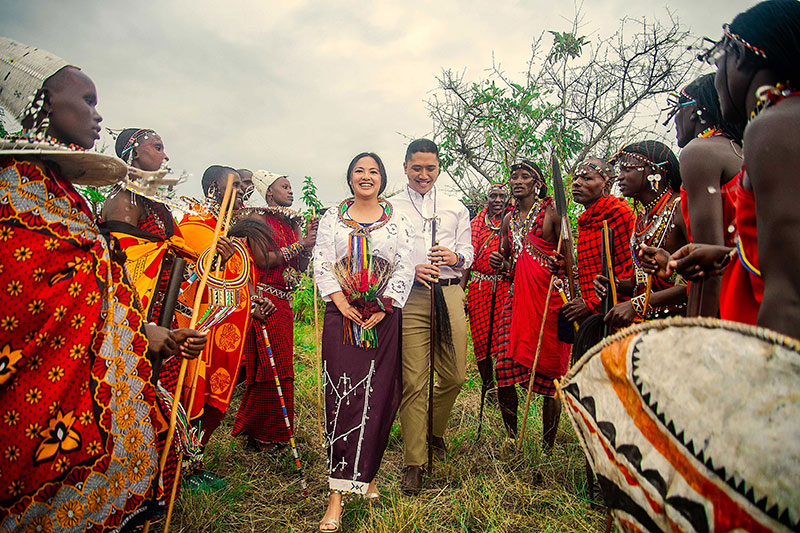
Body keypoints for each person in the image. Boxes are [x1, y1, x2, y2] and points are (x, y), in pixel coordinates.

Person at [0, 38, 197, 530]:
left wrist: (146, 328)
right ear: (43, 104)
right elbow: (32, 295)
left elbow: (99, 280)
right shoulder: (15, 197)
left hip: (122, 339)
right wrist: (138, 324)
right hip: (39, 381)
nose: (98, 115)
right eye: (87, 100)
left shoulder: (63, 195)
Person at [645, 0, 800, 340]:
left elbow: (789, 290)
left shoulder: (773, 125)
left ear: (741, 56)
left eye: (718, 60)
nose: (716, 80)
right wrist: (728, 257)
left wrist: (707, 352)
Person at [313, 152, 414, 531]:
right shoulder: (331, 218)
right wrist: (341, 302)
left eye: (373, 171)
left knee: (380, 395)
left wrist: (385, 306)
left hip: (383, 317)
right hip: (343, 318)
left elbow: (404, 263)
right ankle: (336, 495)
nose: (366, 176)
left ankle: (368, 473)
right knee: (341, 397)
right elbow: (323, 262)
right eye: (359, 170)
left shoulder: (396, 219)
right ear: (350, 177)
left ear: (383, 178)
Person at [391, 139, 474, 494]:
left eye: (430, 168)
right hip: (411, 296)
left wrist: (455, 257)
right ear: (405, 167)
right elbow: (386, 255)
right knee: (413, 381)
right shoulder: (390, 207)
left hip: (450, 292)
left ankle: (433, 430)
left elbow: (469, 252)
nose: (423, 175)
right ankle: (414, 461)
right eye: (416, 168)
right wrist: (412, 267)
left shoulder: (456, 206)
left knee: (455, 375)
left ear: (439, 167)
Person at [232, 170, 317, 453]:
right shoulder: (258, 219)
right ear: (269, 193)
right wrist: (299, 245)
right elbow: (263, 260)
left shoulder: (292, 224)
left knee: (283, 370)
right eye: (284, 186)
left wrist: (308, 245)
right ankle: (262, 436)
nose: (291, 191)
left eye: (292, 187)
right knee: (271, 368)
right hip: (264, 301)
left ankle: (274, 435)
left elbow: (299, 268)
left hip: (286, 302)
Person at [488, 160, 569, 448]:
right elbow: (509, 259)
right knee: (504, 368)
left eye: (526, 177)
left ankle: (548, 445)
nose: (518, 181)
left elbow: (567, 254)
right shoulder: (508, 219)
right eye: (514, 176)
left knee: (550, 372)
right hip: (516, 297)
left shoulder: (551, 212)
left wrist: (562, 277)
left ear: (537, 182)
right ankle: (512, 437)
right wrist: (501, 261)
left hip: (546, 298)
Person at [177, 166, 252, 447]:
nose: (241, 190)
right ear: (213, 189)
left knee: (215, 394)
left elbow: (236, 281)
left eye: (241, 187)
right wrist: (213, 260)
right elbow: (182, 280)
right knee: (191, 391)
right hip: (197, 331)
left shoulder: (225, 230)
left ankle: (196, 454)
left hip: (226, 331)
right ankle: (182, 460)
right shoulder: (193, 227)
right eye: (233, 185)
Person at [669, 74, 744, 316]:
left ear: (693, 112)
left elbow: (709, 263)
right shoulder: (739, 150)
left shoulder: (698, 152)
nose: (674, 122)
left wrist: (699, 332)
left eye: (676, 111)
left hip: (725, 305)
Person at [596, 142, 688, 328]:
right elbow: (645, 282)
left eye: (627, 170)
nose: (620, 178)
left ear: (656, 171)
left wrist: (637, 305)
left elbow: (701, 279)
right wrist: (614, 284)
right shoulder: (641, 219)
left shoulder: (682, 207)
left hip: (682, 326)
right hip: (649, 326)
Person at [550, 159, 635, 325]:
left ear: (607, 185)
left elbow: (631, 274)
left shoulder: (619, 214)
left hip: (619, 314)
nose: (576, 183)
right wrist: (568, 268)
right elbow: (594, 269)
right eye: (575, 178)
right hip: (593, 318)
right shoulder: (586, 221)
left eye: (586, 178)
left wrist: (591, 303)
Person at [462, 183, 511, 394]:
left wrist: (505, 265)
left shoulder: (514, 222)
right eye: (494, 196)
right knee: (481, 340)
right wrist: (459, 292)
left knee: (504, 339)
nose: (498, 200)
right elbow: (467, 261)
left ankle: (504, 387)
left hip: (505, 287)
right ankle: (487, 386)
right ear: (487, 198)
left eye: (502, 196)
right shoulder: (475, 224)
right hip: (479, 287)